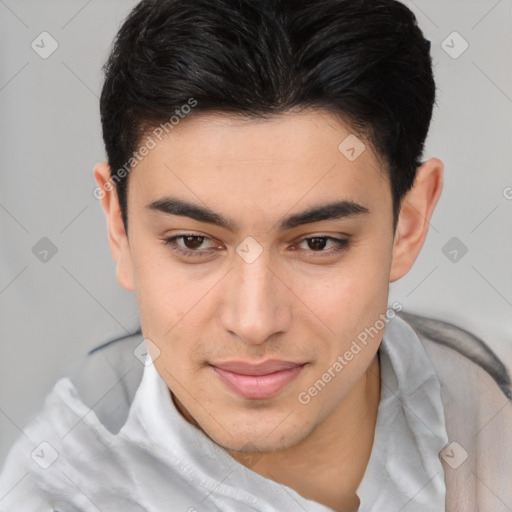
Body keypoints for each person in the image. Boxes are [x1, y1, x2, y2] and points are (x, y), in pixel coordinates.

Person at [0, 0, 510, 510]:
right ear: (119, 228)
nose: (255, 321)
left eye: (317, 243)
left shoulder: (489, 428)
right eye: (193, 242)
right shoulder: (54, 491)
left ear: (409, 223)